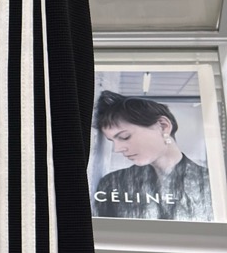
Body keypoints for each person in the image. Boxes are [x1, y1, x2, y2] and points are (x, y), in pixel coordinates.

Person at [92, 88, 214, 220]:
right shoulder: (112, 183)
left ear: (163, 126)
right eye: (112, 141)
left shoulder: (212, 183)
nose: (117, 149)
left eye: (125, 137)